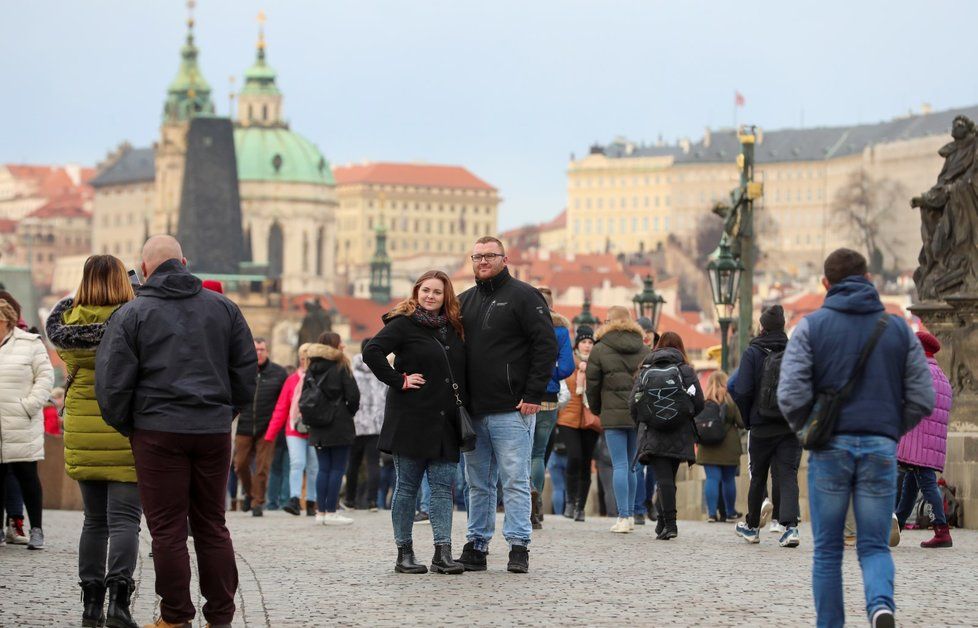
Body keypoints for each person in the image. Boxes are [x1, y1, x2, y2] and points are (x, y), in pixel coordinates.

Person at [96, 235, 257, 627]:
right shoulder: (225, 308)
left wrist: (131, 426)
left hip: (156, 430)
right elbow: (245, 371)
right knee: (212, 525)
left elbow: (112, 383)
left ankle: (175, 617)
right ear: (184, 262)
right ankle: (220, 616)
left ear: (145, 269)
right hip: (211, 429)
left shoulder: (132, 314)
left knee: (167, 531)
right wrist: (225, 413)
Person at [777, 248, 934, 628]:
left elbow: (790, 394)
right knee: (874, 545)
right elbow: (923, 397)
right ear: (868, 279)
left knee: (829, 550)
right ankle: (881, 607)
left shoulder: (811, 327)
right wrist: (889, 429)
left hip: (830, 448)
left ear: (825, 284)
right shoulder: (897, 328)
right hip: (880, 447)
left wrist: (809, 430)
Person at [47, 255, 142, 627]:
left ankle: (90, 604)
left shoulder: (67, 323)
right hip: (124, 428)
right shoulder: (134, 320)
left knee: (94, 522)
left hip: (84, 430)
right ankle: (119, 601)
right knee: (125, 522)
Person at [455, 236, 558, 574]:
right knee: (477, 483)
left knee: (514, 479)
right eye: (477, 256)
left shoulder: (525, 296)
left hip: (512, 407)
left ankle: (518, 545)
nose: (483, 261)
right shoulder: (464, 301)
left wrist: (533, 394)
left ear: (504, 258)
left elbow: (546, 347)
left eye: (490, 255)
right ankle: (477, 544)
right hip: (473, 409)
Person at [363, 270, 467, 575]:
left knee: (441, 488)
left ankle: (442, 552)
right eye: (426, 291)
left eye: (437, 292)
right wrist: (399, 380)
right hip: (411, 416)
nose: (431, 296)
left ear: (446, 296)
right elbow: (372, 351)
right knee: (407, 487)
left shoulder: (454, 328)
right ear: (416, 292)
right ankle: (404, 553)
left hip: (446, 419)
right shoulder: (403, 324)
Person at [730, 304, 803, 547]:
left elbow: (741, 390)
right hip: (789, 424)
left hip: (761, 424)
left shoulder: (753, 352)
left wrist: (749, 418)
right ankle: (790, 527)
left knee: (758, 475)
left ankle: (752, 527)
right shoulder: (795, 351)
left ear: (762, 327)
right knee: (788, 474)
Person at [629, 331, 703, 540]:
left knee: (663, 479)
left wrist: (644, 421)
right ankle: (664, 521)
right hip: (680, 432)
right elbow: (699, 402)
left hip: (653, 430)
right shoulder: (685, 370)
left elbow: (633, 403)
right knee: (668, 478)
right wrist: (683, 415)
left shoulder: (646, 369)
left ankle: (669, 524)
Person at [586, 306, 650, 534]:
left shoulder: (600, 348)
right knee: (633, 466)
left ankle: (623, 517)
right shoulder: (643, 348)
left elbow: (592, 385)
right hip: (637, 413)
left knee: (620, 465)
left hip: (612, 414)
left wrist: (597, 409)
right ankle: (631, 515)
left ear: (608, 322)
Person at [0, 297, 54, 551]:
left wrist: (28, 406)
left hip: (21, 422)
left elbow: (45, 377)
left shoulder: (29, 344)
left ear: (4, 320)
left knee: (27, 477)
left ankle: (37, 529)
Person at [894, 331, 954, 548]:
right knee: (911, 482)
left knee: (927, 483)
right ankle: (897, 524)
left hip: (916, 438)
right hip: (929, 441)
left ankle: (942, 530)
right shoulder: (940, 375)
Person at [529, 286, 575, 529]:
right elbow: (567, 367)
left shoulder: (522, 325)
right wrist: (551, 374)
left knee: (519, 453)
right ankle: (535, 504)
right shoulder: (560, 329)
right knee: (538, 453)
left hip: (521, 394)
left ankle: (520, 501)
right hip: (547, 396)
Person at [305, 332, 360, 526]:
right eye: (341, 342)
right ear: (334, 345)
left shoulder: (311, 366)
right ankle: (331, 511)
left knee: (323, 468)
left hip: (317, 424)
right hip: (339, 423)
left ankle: (320, 512)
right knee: (337, 468)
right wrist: (349, 412)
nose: (343, 345)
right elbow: (353, 395)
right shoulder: (341, 365)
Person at [233, 337, 288, 517]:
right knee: (239, 464)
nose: (259, 353)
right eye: (256, 350)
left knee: (262, 467)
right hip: (245, 424)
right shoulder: (242, 371)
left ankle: (258, 503)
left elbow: (284, 401)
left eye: (262, 349)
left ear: (267, 351)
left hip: (267, 427)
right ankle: (250, 494)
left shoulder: (278, 373)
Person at [264, 343, 319, 517]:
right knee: (297, 463)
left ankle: (311, 501)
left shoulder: (320, 379)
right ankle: (294, 499)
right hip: (294, 428)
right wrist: (270, 434)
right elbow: (281, 408)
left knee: (314, 467)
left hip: (315, 428)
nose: (305, 362)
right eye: (303, 358)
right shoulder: (292, 380)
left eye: (308, 358)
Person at [556, 325, 602, 522]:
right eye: (584, 342)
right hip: (569, 417)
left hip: (591, 418)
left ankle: (579, 507)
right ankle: (570, 500)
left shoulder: (597, 364)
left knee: (585, 461)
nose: (587, 346)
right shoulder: (570, 362)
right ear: (577, 344)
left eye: (590, 342)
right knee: (574, 456)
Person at [695, 370, 744, 523]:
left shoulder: (703, 402)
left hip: (707, 446)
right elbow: (742, 422)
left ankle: (711, 514)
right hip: (729, 447)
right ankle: (730, 513)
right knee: (729, 479)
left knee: (712, 479)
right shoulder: (731, 401)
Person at [345, 337, 386, 511]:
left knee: (353, 463)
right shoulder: (382, 369)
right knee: (373, 463)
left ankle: (350, 500)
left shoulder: (352, 369)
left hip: (356, 423)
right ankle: (372, 501)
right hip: (376, 423)